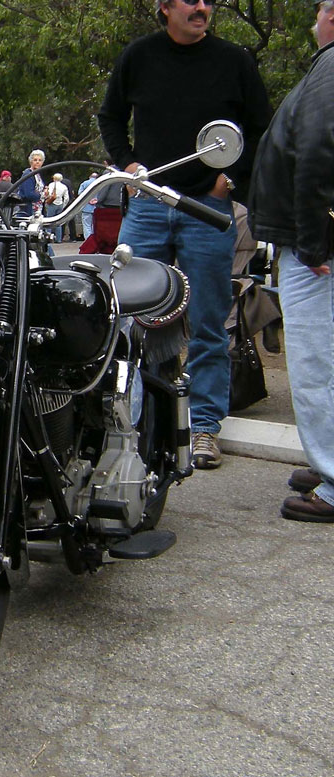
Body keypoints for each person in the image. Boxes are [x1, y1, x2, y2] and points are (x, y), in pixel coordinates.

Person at [98, 0, 271, 469]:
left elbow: (260, 130)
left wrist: (229, 180)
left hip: (207, 209)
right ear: (164, 7)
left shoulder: (235, 61)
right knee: (130, 317)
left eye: (207, 2)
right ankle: (136, 422)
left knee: (209, 319)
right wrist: (130, 166)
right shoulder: (138, 56)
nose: (201, 7)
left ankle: (205, 427)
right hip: (149, 207)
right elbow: (110, 117)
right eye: (190, 1)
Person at [248, 0, 334, 522]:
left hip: (314, 250)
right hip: (318, 241)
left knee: (316, 364)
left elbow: (320, 146)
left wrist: (312, 239)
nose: (315, 18)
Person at [18, 149, 46, 215]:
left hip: (38, 210)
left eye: (40, 160)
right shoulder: (28, 174)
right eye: (35, 160)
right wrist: (42, 194)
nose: (37, 162)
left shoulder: (37, 174)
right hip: (28, 211)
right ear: (31, 161)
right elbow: (29, 194)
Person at [44, 173, 69, 242]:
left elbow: (49, 194)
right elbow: (66, 198)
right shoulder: (64, 186)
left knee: (49, 221)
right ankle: (59, 239)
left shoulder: (51, 184)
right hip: (60, 204)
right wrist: (63, 205)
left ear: (54, 178)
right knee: (58, 223)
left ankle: (48, 237)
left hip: (52, 203)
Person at [78, 172, 98, 239]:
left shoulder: (84, 183)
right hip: (97, 207)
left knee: (87, 225)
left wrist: (88, 200)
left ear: (90, 177)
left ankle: (88, 240)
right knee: (95, 225)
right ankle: (95, 239)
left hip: (86, 207)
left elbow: (80, 194)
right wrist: (96, 200)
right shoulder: (100, 183)